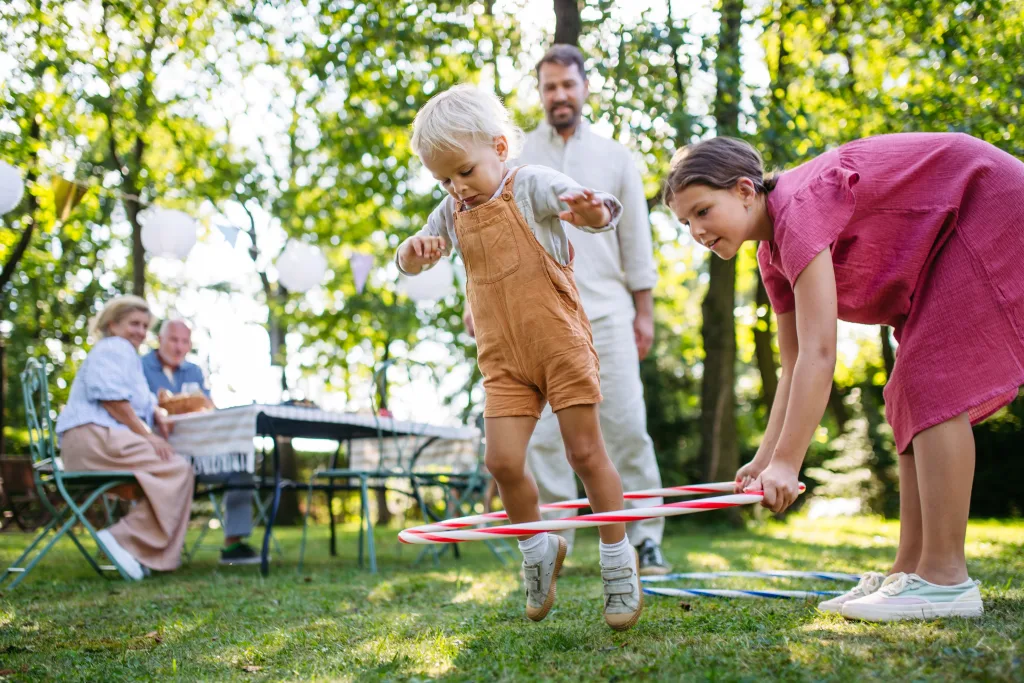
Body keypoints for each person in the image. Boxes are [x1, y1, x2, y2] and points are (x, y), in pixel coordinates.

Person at [663, 133, 1024, 622]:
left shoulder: (798, 208)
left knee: (930, 378)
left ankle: (945, 579)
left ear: (745, 190)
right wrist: (765, 458)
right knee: (908, 390)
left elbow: (820, 351)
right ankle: (910, 571)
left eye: (703, 211)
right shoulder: (771, 255)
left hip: (986, 201)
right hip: (947, 230)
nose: (696, 231)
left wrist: (789, 464)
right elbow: (792, 366)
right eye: (685, 222)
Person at [396, 84, 643, 630]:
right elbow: (413, 255)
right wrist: (412, 253)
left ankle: (618, 561)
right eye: (444, 180)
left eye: (464, 171)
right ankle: (537, 550)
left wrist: (591, 208)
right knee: (503, 462)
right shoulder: (451, 210)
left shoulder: (529, 184)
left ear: (501, 148)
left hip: (559, 343)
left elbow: (592, 210)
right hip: (502, 358)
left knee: (585, 454)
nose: (457, 188)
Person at [473, 44, 669, 575]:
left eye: (567, 85)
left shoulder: (614, 155)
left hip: (606, 312)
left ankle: (644, 537)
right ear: (539, 93)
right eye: (549, 86)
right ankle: (557, 538)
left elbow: (636, 240)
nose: (558, 94)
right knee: (540, 439)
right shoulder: (512, 160)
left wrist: (643, 312)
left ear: (584, 89)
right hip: (534, 317)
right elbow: (477, 228)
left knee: (626, 425)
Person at [55, 296, 195, 579]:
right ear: (113, 324)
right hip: (93, 437)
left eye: (144, 326)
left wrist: (155, 412)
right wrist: (148, 435)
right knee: (178, 469)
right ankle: (122, 539)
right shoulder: (115, 348)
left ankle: (135, 551)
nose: (140, 331)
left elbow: (134, 400)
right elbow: (113, 400)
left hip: (92, 440)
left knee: (165, 477)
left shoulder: (124, 354)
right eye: (134, 323)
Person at [142, 319, 260, 565]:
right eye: (174, 340)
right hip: (158, 452)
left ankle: (234, 544)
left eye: (184, 341)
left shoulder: (194, 372)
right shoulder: (141, 367)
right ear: (160, 340)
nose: (179, 347)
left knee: (241, 470)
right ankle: (147, 543)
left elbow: (209, 410)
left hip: (201, 455)